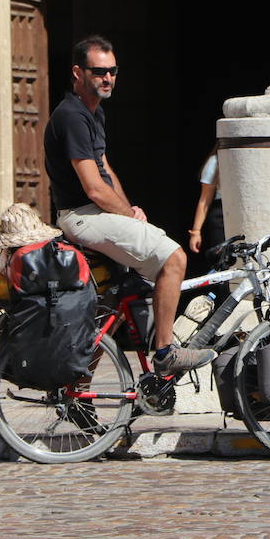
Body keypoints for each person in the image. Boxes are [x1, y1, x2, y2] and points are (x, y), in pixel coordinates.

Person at [43, 35, 214, 377]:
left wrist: (130, 208)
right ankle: (165, 352)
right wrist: (124, 213)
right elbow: (93, 188)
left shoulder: (94, 114)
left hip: (95, 213)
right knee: (174, 258)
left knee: (112, 305)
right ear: (78, 73)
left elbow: (105, 170)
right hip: (82, 216)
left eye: (113, 71)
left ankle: (77, 387)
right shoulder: (72, 117)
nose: (107, 78)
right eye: (98, 71)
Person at [188, 149, 224, 256]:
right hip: (221, 214)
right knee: (222, 258)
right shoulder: (215, 161)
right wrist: (196, 232)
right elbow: (204, 200)